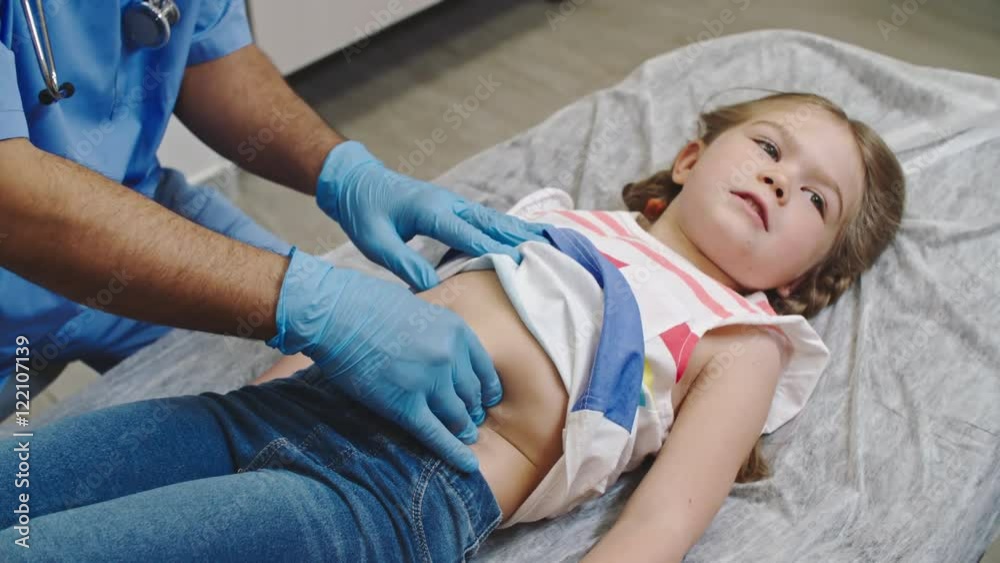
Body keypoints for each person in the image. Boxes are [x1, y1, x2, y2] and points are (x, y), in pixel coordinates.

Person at [0, 93, 906, 561]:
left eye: (816, 197)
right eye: (771, 147)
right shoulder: (567, 220)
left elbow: (664, 522)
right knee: (31, 482)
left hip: (388, 496)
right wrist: (290, 363)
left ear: (805, 279)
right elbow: (432, 295)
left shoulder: (739, 340)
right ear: (693, 157)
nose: (784, 179)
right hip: (284, 407)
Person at [0, 1, 548, 470]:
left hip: (127, 210)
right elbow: (16, 204)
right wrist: (311, 302)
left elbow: (210, 56)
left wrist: (345, 171)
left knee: (294, 407)